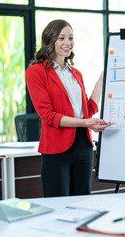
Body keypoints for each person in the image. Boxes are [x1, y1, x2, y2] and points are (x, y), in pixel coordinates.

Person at [26, 19, 111, 197]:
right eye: (61, 38)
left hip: (84, 148)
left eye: (70, 38)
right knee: (58, 204)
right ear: (50, 40)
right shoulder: (36, 71)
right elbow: (49, 116)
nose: (67, 43)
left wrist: (102, 81)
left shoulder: (75, 73)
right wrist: (86, 123)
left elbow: (87, 111)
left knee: (82, 202)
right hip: (57, 149)